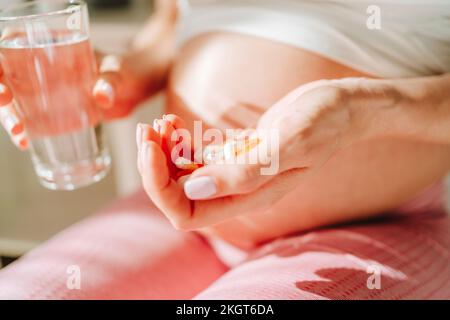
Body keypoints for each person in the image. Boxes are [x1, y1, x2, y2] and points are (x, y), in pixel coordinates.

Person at [0, 0, 449, 299]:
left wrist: (357, 110)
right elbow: (173, 21)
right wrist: (126, 73)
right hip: (185, 215)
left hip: (385, 221)